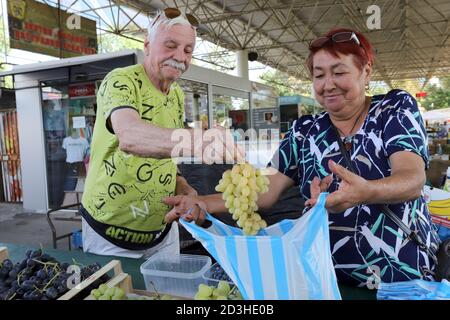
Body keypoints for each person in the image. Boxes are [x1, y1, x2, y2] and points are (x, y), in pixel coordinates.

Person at [164, 27, 441, 286]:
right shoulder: (305, 131)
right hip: (322, 277)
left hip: (400, 278)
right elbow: (265, 190)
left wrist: (366, 191)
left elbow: (412, 179)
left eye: (338, 72)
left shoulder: (393, 109)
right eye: (319, 75)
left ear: (365, 72)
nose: (328, 84)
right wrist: (202, 202)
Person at [81, 7, 243, 258]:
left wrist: (183, 186)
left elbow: (166, 153)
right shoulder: (120, 80)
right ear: (147, 44)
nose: (180, 56)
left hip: (162, 231)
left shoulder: (176, 94)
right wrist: (200, 141)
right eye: (170, 45)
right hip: (110, 235)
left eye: (188, 50)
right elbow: (130, 136)